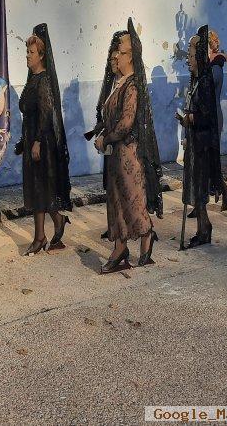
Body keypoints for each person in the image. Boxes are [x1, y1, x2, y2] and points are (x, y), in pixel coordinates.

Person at [94, 19, 160, 272]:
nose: (115, 56)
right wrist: (100, 131)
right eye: (114, 52)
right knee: (116, 201)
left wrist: (106, 138)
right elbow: (112, 118)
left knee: (131, 200)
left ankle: (139, 238)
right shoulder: (117, 84)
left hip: (128, 154)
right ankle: (127, 245)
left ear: (131, 57)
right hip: (115, 153)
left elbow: (126, 123)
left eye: (120, 52)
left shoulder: (132, 86)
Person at [16, 24, 72, 255]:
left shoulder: (43, 80)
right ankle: (42, 234)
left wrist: (37, 141)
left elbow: (47, 113)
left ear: (41, 56)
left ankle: (54, 223)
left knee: (41, 189)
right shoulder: (32, 79)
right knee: (37, 189)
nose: (27, 57)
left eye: (31, 53)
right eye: (27, 53)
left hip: (42, 143)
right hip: (31, 140)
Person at [178, 25, 219, 247]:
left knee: (200, 188)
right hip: (194, 142)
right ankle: (203, 227)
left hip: (202, 144)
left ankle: (204, 229)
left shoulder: (204, 81)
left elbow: (207, 115)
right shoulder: (195, 80)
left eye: (192, 55)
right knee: (196, 187)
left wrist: (190, 119)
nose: (188, 60)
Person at [89, 30, 125, 241]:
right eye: (111, 58)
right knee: (109, 186)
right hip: (109, 142)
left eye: (116, 57)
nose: (113, 62)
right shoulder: (112, 83)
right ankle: (113, 226)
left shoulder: (127, 84)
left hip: (118, 142)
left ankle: (128, 231)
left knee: (122, 191)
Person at [207, 30, 227, 210]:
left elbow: (210, 87)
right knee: (205, 159)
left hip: (213, 114)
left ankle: (223, 190)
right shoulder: (208, 64)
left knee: (213, 158)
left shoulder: (216, 65)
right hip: (207, 113)